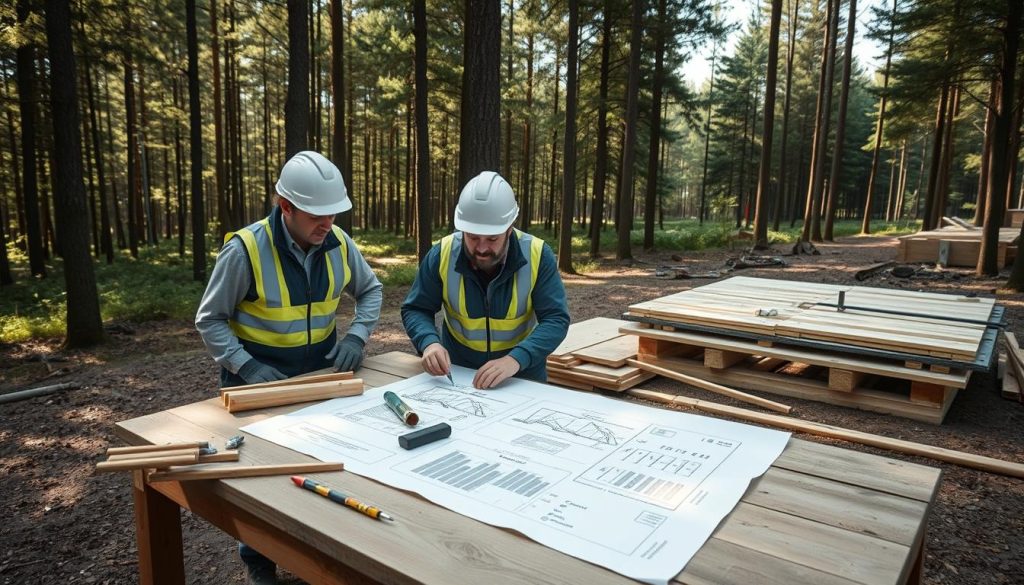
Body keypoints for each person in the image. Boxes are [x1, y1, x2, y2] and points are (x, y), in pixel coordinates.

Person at [195, 150, 382, 585]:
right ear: (286, 207)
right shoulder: (245, 250)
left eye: (333, 213)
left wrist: (356, 337)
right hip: (256, 383)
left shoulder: (338, 243)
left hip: (320, 377)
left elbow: (370, 291)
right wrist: (246, 365)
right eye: (317, 214)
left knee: (322, 466)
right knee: (260, 478)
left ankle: (317, 552)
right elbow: (209, 319)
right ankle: (259, 562)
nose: (327, 223)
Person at [402, 170, 570, 389]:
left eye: (492, 239)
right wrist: (429, 343)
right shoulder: (441, 254)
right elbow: (416, 309)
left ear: (509, 229)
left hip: (522, 376)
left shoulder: (537, 255)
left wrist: (516, 359)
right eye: (472, 237)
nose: (481, 248)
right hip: (460, 375)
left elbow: (556, 319)